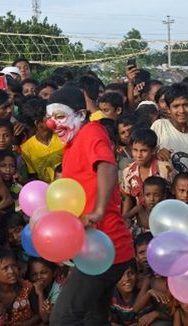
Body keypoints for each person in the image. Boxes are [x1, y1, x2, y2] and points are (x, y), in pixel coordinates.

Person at [46, 86, 134, 325]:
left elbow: (107, 167)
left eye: (60, 116)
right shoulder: (72, 144)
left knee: (62, 318)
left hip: (107, 244)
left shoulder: (91, 132)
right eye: (50, 118)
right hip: (96, 246)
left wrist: (98, 211)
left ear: (81, 115)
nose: (53, 124)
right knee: (93, 317)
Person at [120, 128, 174, 215]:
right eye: (135, 150)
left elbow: (172, 194)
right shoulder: (128, 171)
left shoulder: (165, 169)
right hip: (140, 219)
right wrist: (124, 218)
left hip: (163, 215)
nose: (138, 155)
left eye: (143, 151)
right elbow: (127, 197)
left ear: (153, 150)